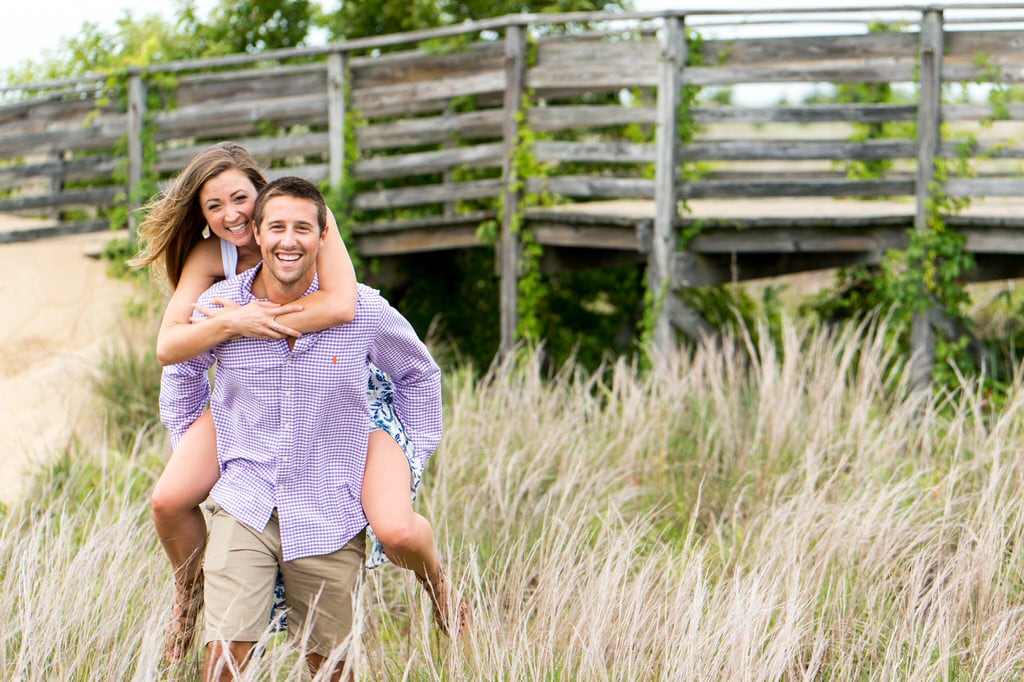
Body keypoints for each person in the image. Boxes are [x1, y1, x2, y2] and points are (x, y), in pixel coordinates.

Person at [131, 143, 467, 664]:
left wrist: (416, 450)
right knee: (168, 499)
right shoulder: (210, 267)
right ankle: (189, 594)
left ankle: (438, 583)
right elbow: (172, 351)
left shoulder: (310, 220)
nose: (231, 215)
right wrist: (231, 323)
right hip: (254, 411)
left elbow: (344, 306)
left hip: (346, 401)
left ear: (264, 197)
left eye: (240, 198)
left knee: (396, 527)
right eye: (213, 206)